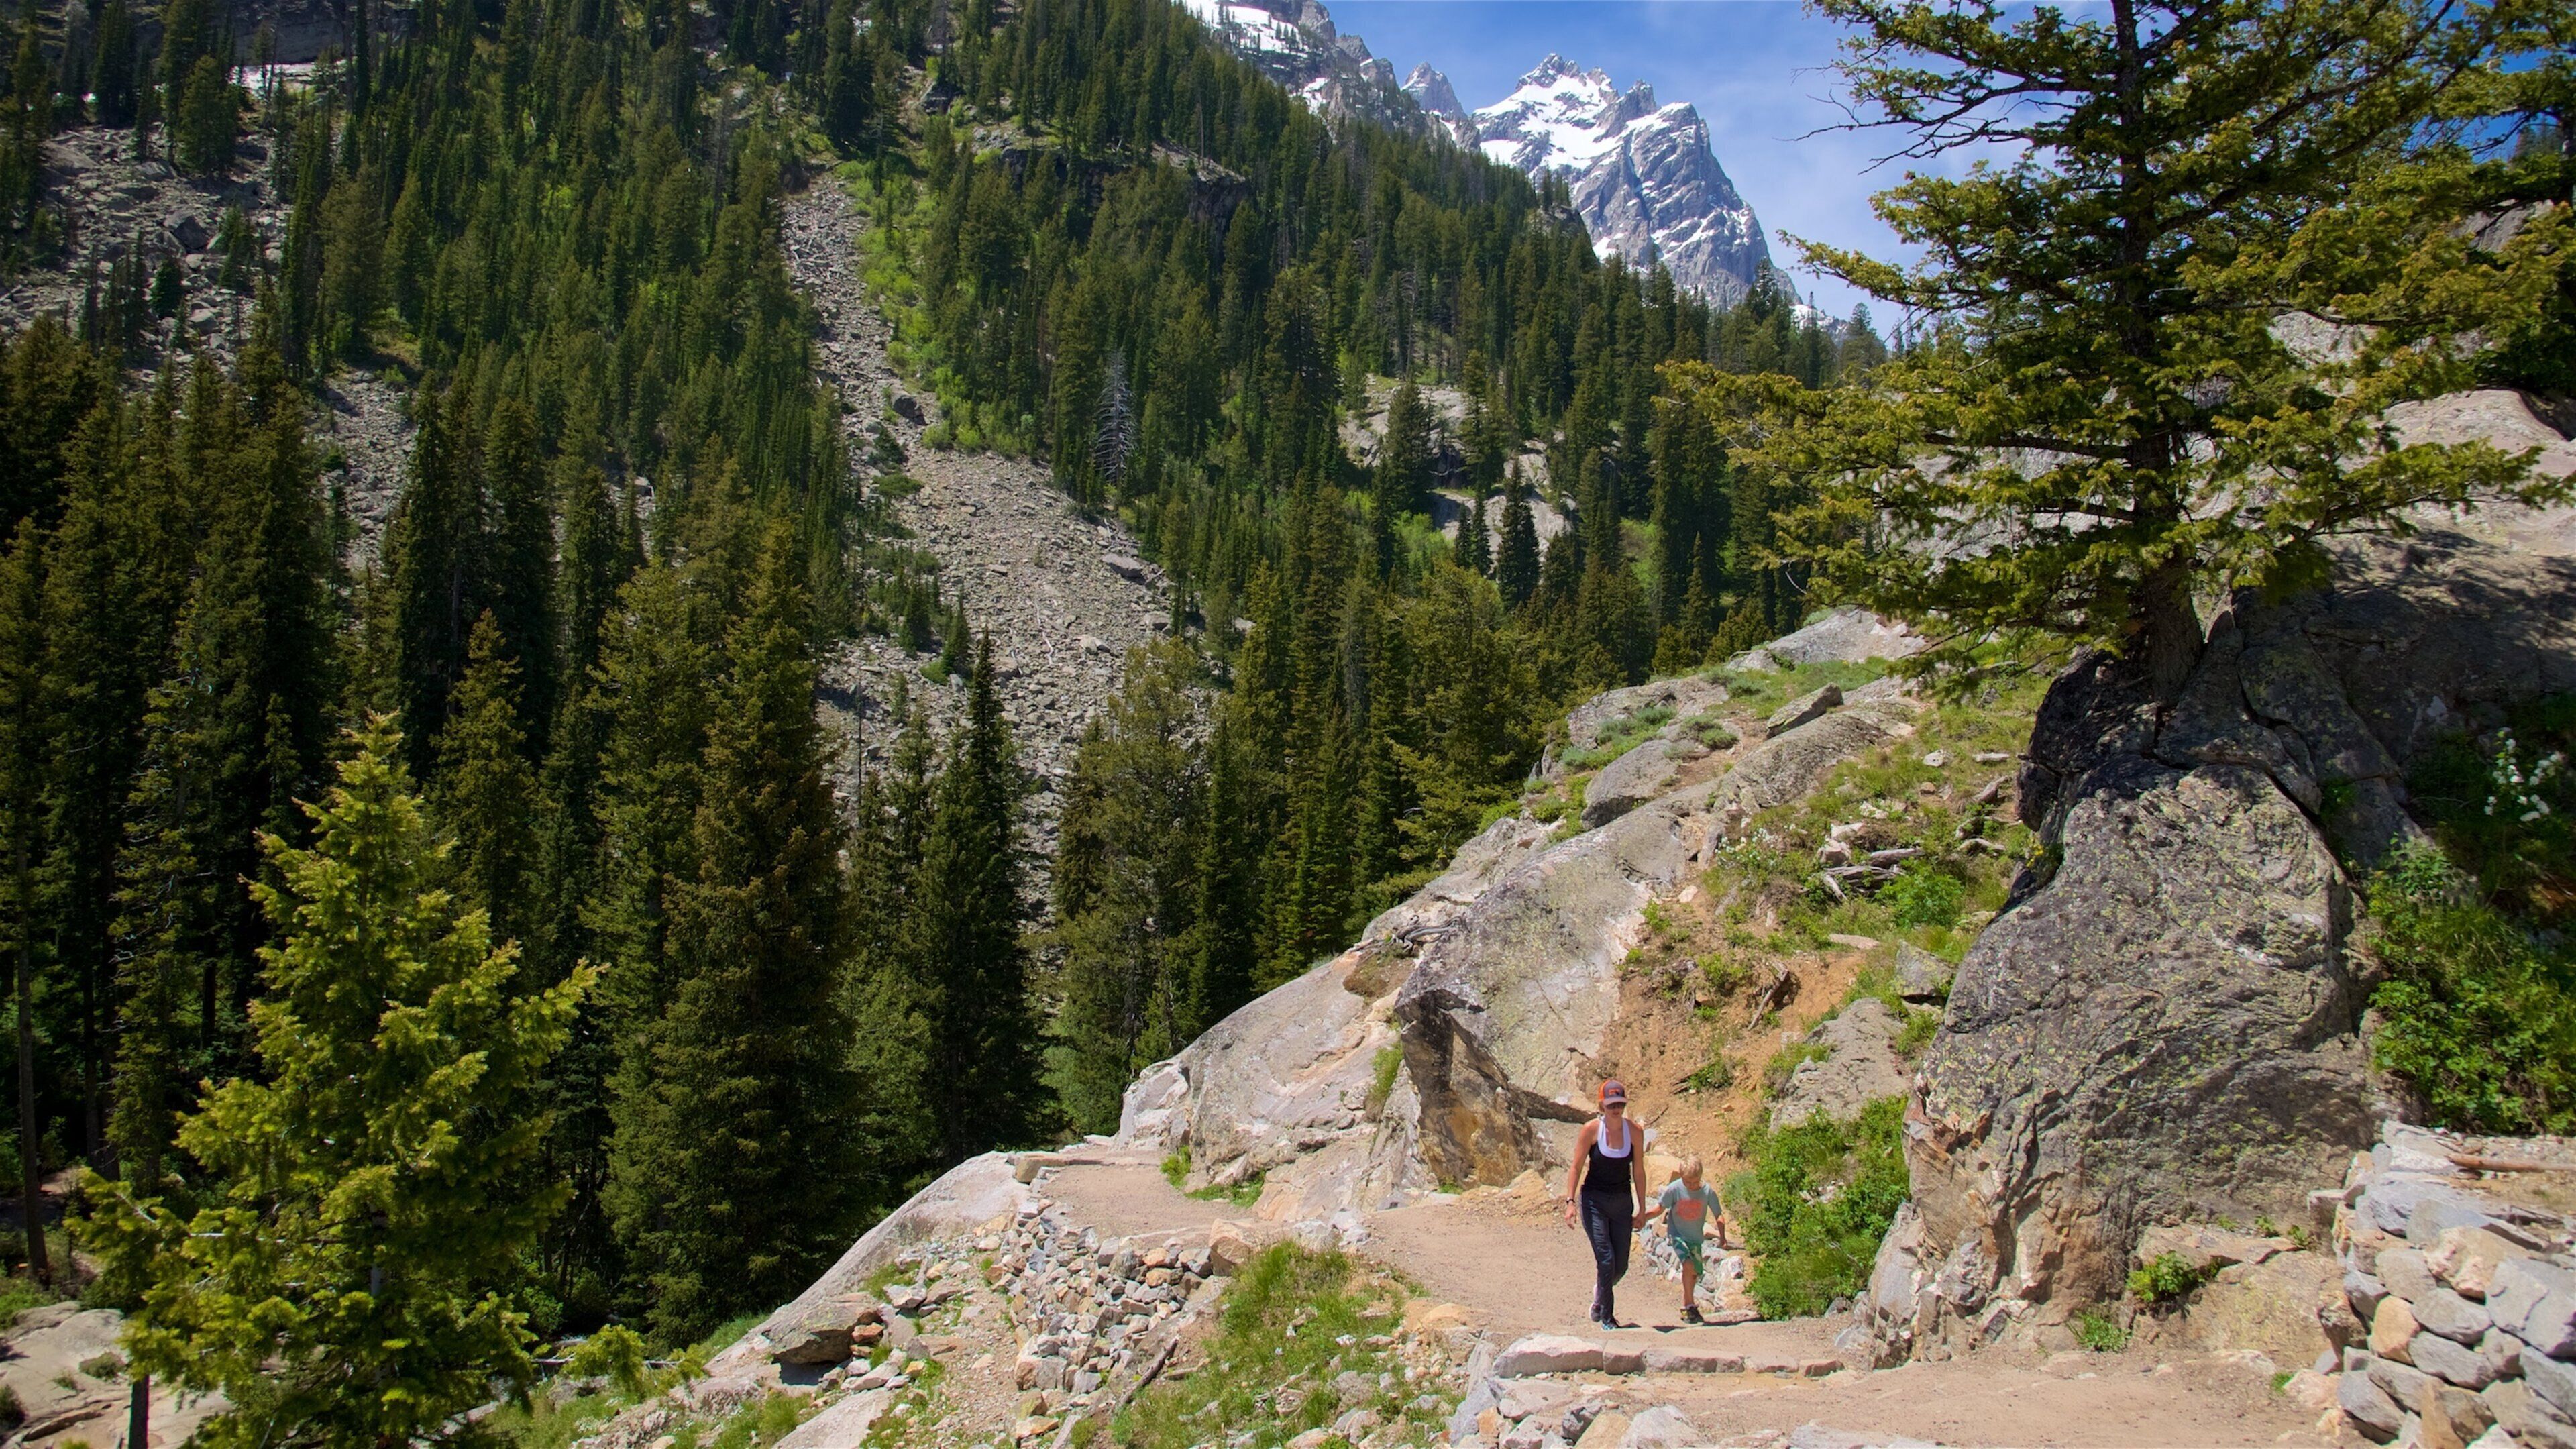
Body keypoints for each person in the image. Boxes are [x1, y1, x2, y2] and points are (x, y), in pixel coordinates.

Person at [1562, 1079, 1649, 1328]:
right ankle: (1607, 1318)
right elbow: (1576, 1166)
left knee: (1621, 1265)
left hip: (1622, 1202)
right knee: (1606, 1259)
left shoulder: (1635, 1132)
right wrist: (1570, 1202)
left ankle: (1600, 1298)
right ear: (1602, 1105)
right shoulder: (1591, 1130)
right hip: (1594, 1201)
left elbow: (1639, 1172)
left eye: (1620, 1103)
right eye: (1611, 1104)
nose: (1616, 1109)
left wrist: (1642, 1208)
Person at [1639, 1155, 1726, 1325]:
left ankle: (1687, 1306)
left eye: (1694, 1182)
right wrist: (1642, 1217)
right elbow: (1659, 1209)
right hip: (1677, 1235)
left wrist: (1722, 1236)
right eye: (1688, 1182)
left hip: (1695, 1238)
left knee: (1694, 1273)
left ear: (1700, 1177)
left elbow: (1719, 1214)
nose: (1691, 1186)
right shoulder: (1675, 1189)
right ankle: (1689, 1307)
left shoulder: (1707, 1192)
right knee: (1687, 1264)